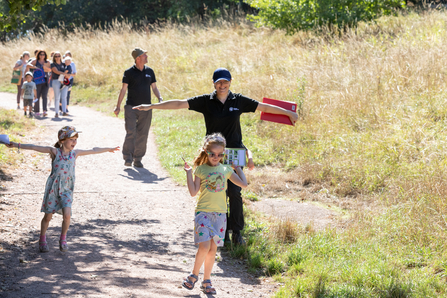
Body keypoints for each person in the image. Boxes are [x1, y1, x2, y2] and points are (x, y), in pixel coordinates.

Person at [133, 67, 298, 245]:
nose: (222, 85)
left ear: (230, 82)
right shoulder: (206, 101)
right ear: (213, 83)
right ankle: (222, 232)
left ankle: (237, 232)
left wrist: (288, 112)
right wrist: (151, 106)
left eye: (225, 82)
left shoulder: (239, 100)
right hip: (214, 153)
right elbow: (180, 103)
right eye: (218, 82)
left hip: (235, 152)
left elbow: (263, 107)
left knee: (235, 192)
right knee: (217, 190)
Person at [3, 126, 119, 252]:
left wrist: (109, 149)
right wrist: (16, 145)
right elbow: (34, 147)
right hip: (53, 188)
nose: (74, 142)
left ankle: (63, 238)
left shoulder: (75, 154)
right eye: (72, 139)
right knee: (48, 217)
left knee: (67, 215)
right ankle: (42, 238)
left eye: (76, 139)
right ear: (62, 141)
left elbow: (94, 149)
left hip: (67, 189)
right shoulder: (54, 152)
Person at [181, 133, 248, 295]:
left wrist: (237, 168)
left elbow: (244, 184)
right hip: (203, 213)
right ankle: (193, 275)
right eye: (212, 154)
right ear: (206, 152)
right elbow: (193, 192)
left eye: (219, 155)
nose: (216, 157)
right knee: (204, 246)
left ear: (223, 154)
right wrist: (189, 173)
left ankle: (207, 281)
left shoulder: (225, 170)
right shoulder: (201, 169)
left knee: (212, 250)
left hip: (220, 215)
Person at [114, 47, 163, 168]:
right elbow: (123, 89)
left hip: (146, 107)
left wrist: (160, 98)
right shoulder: (129, 72)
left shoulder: (150, 71)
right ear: (138, 58)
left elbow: (154, 87)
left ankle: (138, 158)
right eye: (144, 55)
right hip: (131, 107)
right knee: (131, 132)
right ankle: (128, 157)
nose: (147, 57)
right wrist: (118, 106)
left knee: (143, 133)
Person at [27, 49, 52, 117]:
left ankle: (44, 111)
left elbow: (50, 70)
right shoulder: (36, 61)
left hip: (45, 80)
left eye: (43, 54)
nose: (42, 56)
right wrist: (34, 67)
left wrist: (45, 67)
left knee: (44, 96)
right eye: (41, 54)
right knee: (37, 96)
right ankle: (37, 111)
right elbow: (28, 64)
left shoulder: (47, 61)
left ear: (45, 55)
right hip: (37, 80)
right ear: (38, 55)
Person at [51, 51, 71, 118]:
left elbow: (69, 70)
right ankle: (56, 112)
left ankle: (64, 111)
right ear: (54, 57)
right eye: (56, 56)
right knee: (57, 97)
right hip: (56, 81)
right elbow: (56, 71)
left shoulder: (64, 64)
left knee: (64, 97)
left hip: (64, 81)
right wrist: (65, 74)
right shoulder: (53, 64)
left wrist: (68, 75)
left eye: (59, 56)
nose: (57, 57)